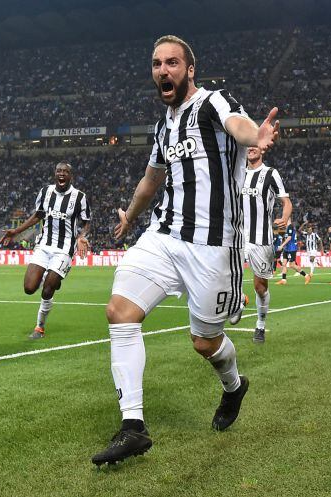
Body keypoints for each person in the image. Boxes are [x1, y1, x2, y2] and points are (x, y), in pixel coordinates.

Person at [91, 34, 279, 467]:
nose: (163, 70)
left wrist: (256, 137)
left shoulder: (212, 101)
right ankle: (133, 426)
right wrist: (131, 217)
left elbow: (239, 125)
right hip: (163, 236)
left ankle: (234, 387)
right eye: (157, 64)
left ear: (189, 70)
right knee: (120, 311)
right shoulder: (163, 127)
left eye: (173, 63)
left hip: (213, 245)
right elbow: (150, 180)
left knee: (204, 342)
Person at [0, 162, 91, 338]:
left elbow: (86, 222)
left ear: (71, 175)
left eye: (65, 171)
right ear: (55, 174)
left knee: (48, 289)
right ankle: (53, 277)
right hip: (43, 245)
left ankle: (39, 327)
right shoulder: (45, 192)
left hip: (64, 248)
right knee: (29, 288)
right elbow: (38, 215)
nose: (62, 174)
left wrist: (81, 236)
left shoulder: (80, 197)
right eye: (59, 171)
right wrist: (16, 231)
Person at [241, 146, 292, 343]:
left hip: (261, 238)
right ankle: (237, 302)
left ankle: (260, 324)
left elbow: (286, 202)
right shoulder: (236, 171)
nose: (251, 148)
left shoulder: (271, 173)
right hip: (237, 236)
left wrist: (284, 218)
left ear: (262, 150)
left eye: (255, 145)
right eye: (248, 145)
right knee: (223, 275)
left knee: (260, 287)